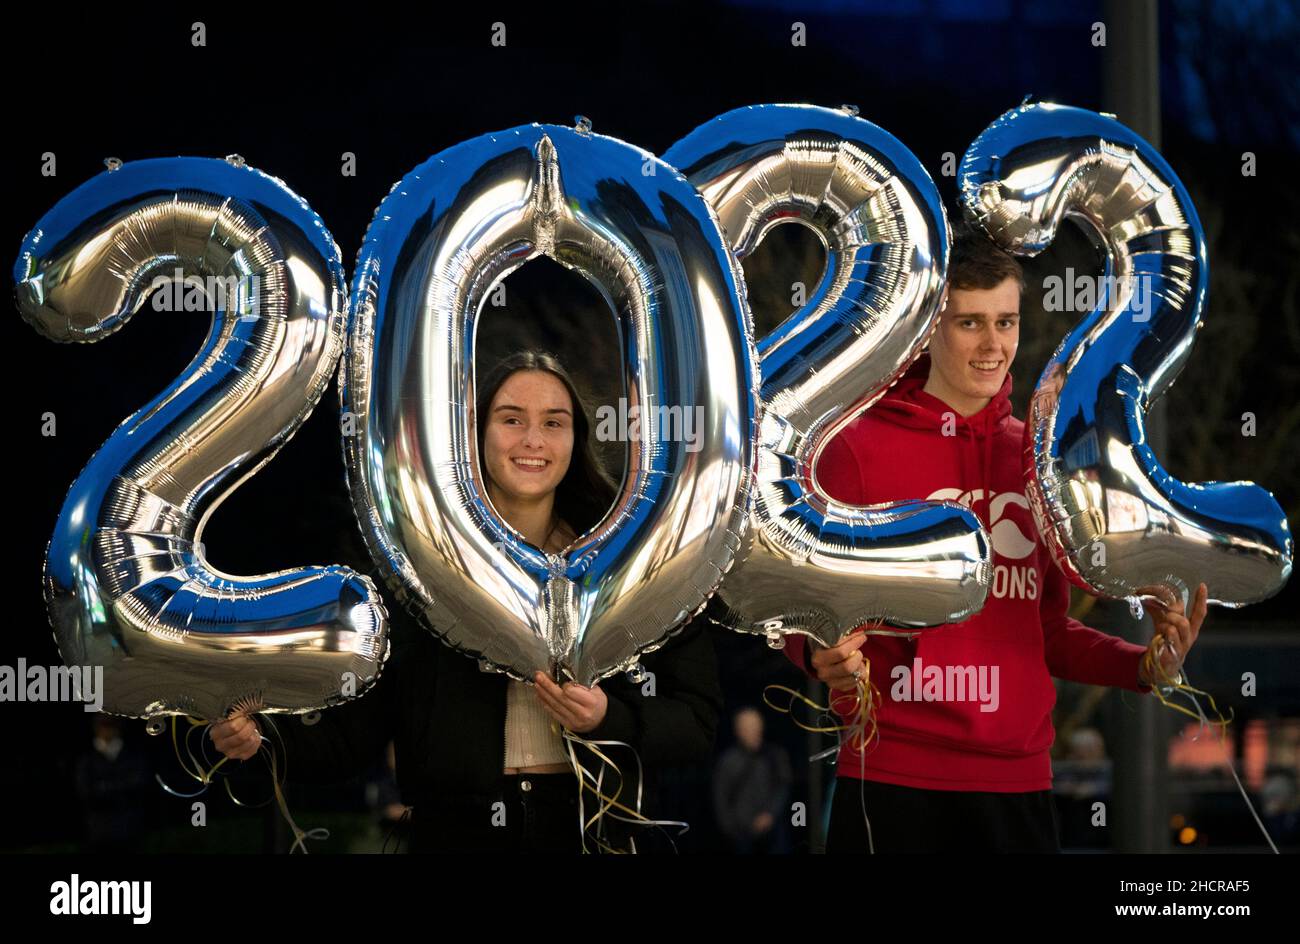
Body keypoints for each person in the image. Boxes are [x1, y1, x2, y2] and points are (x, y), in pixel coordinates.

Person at [783, 223, 1209, 853]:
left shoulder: (1039, 459)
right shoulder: (852, 449)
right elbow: (806, 614)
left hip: (1018, 788)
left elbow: (1048, 634)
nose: (993, 345)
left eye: (1005, 322)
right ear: (928, 327)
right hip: (896, 781)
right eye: (970, 323)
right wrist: (817, 656)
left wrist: (1146, 665)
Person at [210, 350, 722, 853]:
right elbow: (355, 734)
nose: (532, 440)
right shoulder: (419, 566)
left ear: (576, 440)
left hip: (588, 831)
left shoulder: (629, 564)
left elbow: (696, 721)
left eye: (554, 423)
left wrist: (608, 718)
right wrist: (262, 740)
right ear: (474, 435)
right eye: (511, 419)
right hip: (455, 834)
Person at [712, 707, 792, 854]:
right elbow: (720, 799)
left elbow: (783, 788)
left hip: (773, 835)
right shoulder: (728, 761)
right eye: (748, 728)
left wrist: (770, 814)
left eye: (756, 726)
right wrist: (733, 830)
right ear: (738, 731)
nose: (754, 731)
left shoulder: (775, 755)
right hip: (740, 838)